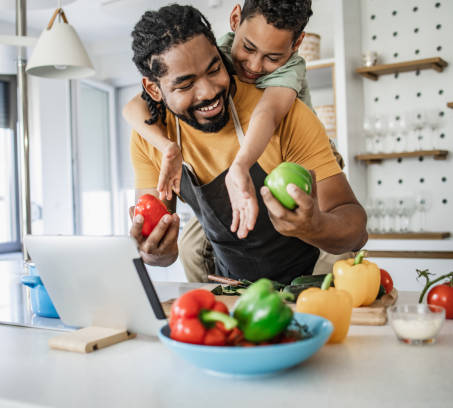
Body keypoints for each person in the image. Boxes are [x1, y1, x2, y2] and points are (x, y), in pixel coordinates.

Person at [128, 4, 367, 284]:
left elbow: (357, 232)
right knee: (191, 245)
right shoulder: (151, 135)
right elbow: (160, 248)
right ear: (154, 89)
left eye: (214, 69)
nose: (208, 92)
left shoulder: (287, 113)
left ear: (220, 55)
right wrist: (155, 253)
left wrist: (316, 225)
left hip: (311, 286)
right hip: (234, 292)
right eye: (185, 84)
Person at [123, 0, 314, 240]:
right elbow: (132, 107)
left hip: (297, 158)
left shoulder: (292, 68)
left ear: (296, 44)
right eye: (248, 48)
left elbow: (268, 114)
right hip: (242, 167)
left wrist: (241, 164)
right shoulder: (216, 49)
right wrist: (168, 147)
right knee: (191, 247)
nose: (254, 66)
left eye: (272, 58)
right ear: (235, 21)